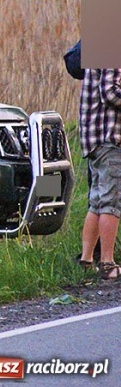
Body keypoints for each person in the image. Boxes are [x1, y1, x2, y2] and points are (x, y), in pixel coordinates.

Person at [78, 68, 121, 280]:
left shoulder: (103, 40)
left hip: (94, 139)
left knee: (97, 200)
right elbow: (110, 92)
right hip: (109, 138)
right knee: (111, 203)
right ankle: (107, 263)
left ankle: (86, 260)